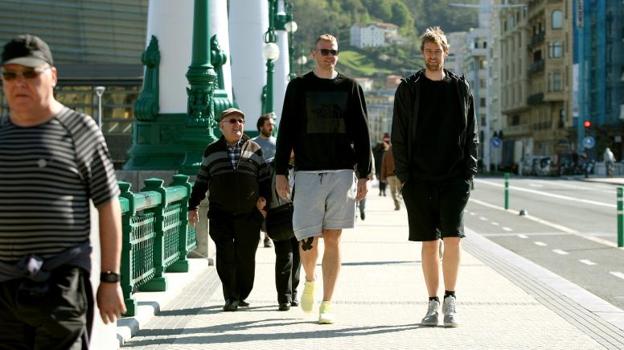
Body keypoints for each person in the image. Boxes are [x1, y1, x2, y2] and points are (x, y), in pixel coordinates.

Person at [0, 34, 126, 349]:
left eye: (30, 73)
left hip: (62, 285)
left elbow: (109, 206)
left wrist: (110, 279)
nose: (20, 83)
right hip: (4, 287)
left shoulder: (80, 130)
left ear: (52, 76)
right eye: (10, 75)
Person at [274, 34, 371, 324]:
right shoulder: (298, 86)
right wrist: (280, 171)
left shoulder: (351, 87)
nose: (330, 56)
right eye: (325, 51)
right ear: (313, 53)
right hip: (306, 172)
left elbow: (363, 133)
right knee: (307, 238)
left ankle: (327, 301)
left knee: (333, 237)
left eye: (334, 52)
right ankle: (310, 279)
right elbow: (286, 131)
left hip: (342, 171)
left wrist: (364, 173)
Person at [391, 26, 478, 328]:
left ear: (445, 51)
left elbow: (472, 134)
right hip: (419, 180)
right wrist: (404, 177)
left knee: (453, 239)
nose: (432, 56)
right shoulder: (409, 88)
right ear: (422, 53)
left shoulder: (460, 87)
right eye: (428, 51)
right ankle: (432, 303)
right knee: (429, 244)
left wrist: (469, 174)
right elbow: (398, 134)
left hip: (454, 178)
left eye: (437, 51)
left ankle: (451, 300)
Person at [188, 108, 271, 312]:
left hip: (249, 214)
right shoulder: (211, 150)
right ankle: (231, 297)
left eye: (241, 121)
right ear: (221, 125)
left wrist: (265, 201)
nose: (238, 125)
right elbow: (201, 181)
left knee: (246, 257)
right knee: (225, 257)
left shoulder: (255, 148)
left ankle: (241, 293)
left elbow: (265, 179)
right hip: (220, 214)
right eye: (232, 121)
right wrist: (193, 205)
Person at [265, 152, 301, 311]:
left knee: (298, 255)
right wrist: (263, 206)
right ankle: (283, 298)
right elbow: (263, 187)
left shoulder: (305, 164)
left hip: (301, 216)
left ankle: (293, 291)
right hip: (278, 214)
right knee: (284, 255)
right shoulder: (271, 165)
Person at [253, 113, 277, 248]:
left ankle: (268, 236)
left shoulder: (276, 142)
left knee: (270, 208)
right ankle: (257, 234)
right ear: (261, 126)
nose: (271, 127)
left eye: (272, 125)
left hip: (272, 181)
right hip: (257, 182)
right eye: (268, 125)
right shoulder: (253, 143)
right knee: (257, 208)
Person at [380, 143, 402, 211]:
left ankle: (396, 203)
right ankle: (399, 199)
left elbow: (383, 166)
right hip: (398, 174)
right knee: (400, 190)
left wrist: (382, 177)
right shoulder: (399, 152)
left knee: (393, 191)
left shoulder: (386, 153)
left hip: (389, 175)